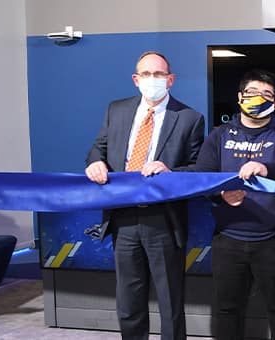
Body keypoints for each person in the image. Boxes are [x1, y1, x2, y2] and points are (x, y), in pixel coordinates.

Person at [85, 51, 205, 340]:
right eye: (147, 74)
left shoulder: (190, 118)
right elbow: (98, 148)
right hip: (122, 217)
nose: (153, 79)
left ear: (170, 79)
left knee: (170, 301)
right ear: (136, 79)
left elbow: (199, 169)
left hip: (163, 219)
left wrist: (170, 171)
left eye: (159, 74)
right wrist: (95, 162)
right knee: (129, 300)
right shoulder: (116, 110)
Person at [187, 69, 275, 339]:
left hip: (273, 241)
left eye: (267, 94)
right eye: (252, 92)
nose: (259, 98)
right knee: (227, 310)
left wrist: (266, 168)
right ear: (240, 97)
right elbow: (203, 175)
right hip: (228, 239)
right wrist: (221, 194)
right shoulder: (220, 135)